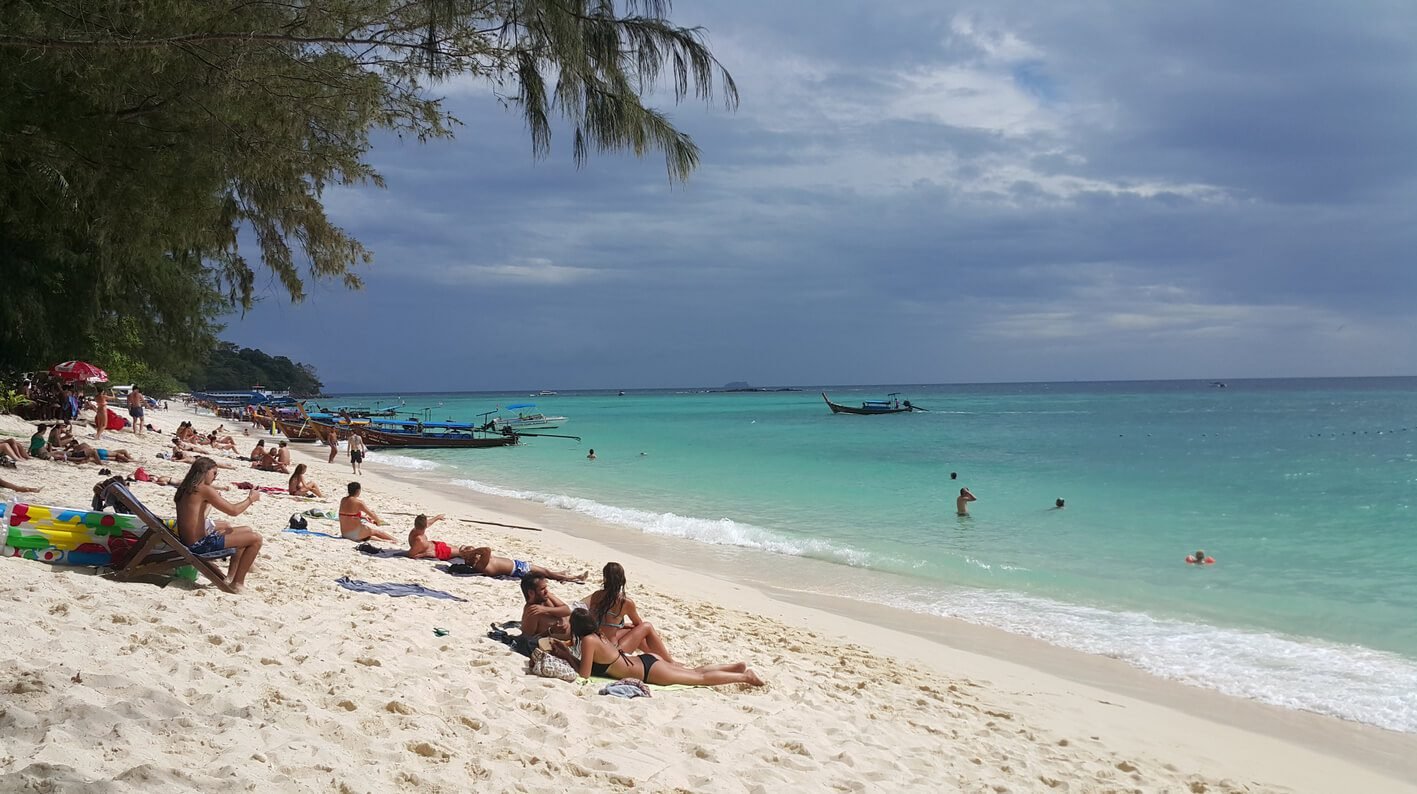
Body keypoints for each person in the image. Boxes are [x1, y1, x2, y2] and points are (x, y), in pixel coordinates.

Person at [560, 608, 762, 687]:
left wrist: (566, 655)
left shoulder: (588, 640)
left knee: (699, 679)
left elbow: (584, 674)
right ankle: (733, 668)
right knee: (693, 672)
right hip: (648, 661)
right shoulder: (598, 635)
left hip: (650, 671)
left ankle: (744, 677)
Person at [173, 456, 264, 592]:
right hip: (200, 545)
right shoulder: (203, 489)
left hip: (190, 541)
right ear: (205, 471)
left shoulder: (186, 488)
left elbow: (198, 517)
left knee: (246, 530)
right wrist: (251, 499)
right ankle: (238, 583)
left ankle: (230, 577)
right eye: (214, 473)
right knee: (256, 538)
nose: (215, 477)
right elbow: (233, 511)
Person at [584, 562, 677, 663]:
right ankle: (669, 661)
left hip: (597, 644)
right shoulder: (625, 602)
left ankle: (660, 657)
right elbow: (639, 624)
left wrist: (623, 626)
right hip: (612, 650)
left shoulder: (596, 596)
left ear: (605, 578)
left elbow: (602, 623)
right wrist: (627, 626)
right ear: (622, 580)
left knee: (632, 632)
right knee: (647, 626)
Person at [456, 545, 586, 582]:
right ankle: (574, 578)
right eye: (470, 550)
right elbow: (487, 549)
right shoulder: (480, 564)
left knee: (545, 571)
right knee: (546, 573)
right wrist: (470, 553)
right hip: (517, 570)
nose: (474, 550)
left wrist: (470, 552)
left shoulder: (481, 561)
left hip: (517, 565)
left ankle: (562, 574)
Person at [520, 573, 572, 641]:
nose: (546, 591)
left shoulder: (545, 597)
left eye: (545, 587)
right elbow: (526, 640)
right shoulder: (532, 612)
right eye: (542, 589)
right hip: (575, 639)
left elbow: (567, 610)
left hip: (580, 626)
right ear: (531, 593)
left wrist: (545, 610)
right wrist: (551, 631)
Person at [64, 440, 132, 464]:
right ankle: (130, 460)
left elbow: (66, 450)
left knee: (116, 458)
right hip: (98, 451)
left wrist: (68, 447)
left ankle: (129, 460)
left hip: (97, 457)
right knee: (121, 452)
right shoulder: (83, 444)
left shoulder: (75, 451)